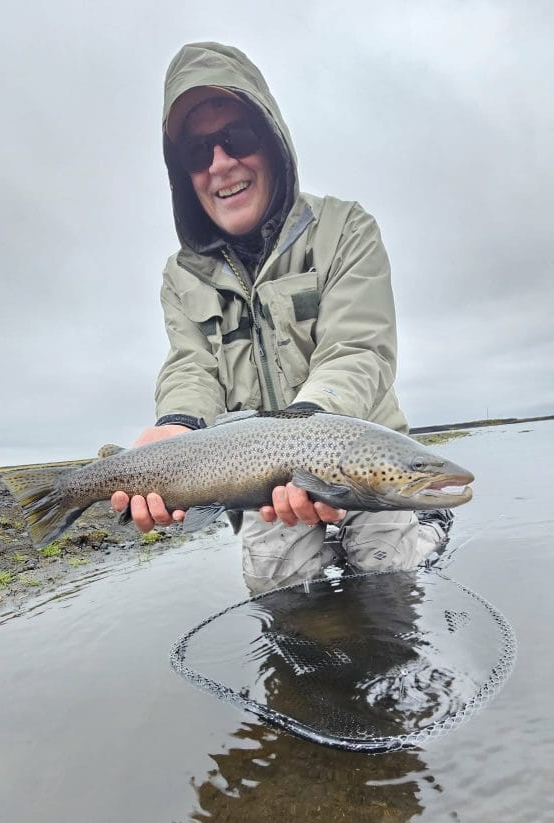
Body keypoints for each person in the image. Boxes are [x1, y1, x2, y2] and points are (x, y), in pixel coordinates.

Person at [111, 41, 450, 593]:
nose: (221, 163)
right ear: (183, 173)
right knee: (280, 593)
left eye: (236, 138)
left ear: (270, 142)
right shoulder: (180, 276)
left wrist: (314, 441)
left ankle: (424, 529)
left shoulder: (346, 228)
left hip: (363, 458)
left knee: (390, 575)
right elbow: (191, 367)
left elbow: (356, 350)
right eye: (198, 153)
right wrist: (177, 426)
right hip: (259, 490)